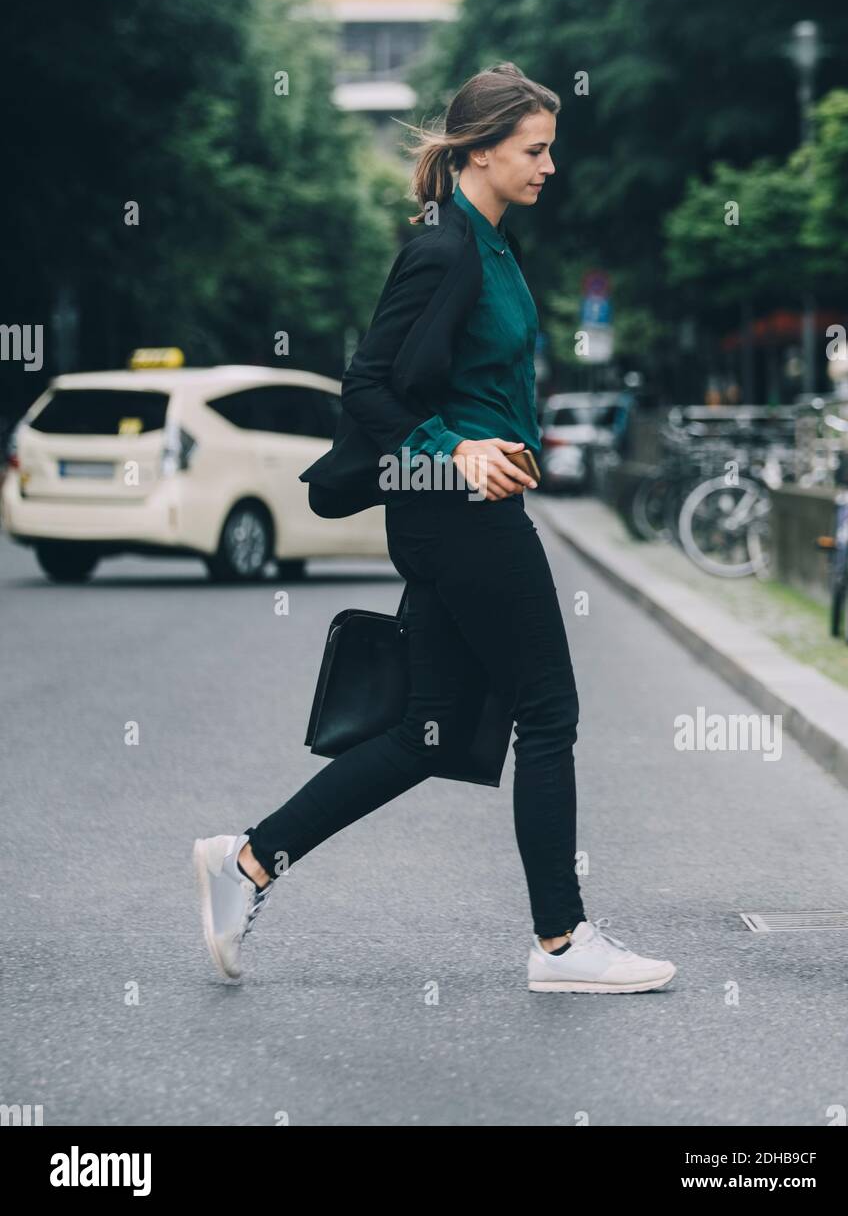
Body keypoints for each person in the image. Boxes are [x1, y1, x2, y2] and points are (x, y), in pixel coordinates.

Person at [193, 63, 676, 994]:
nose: (549, 166)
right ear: (483, 148)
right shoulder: (443, 249)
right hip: (456, 516)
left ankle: (248, 861)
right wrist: (455, 451)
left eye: (550, 149)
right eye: (535, 150)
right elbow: (367, 385)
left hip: (470, 508)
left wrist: (490, 446)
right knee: (548, 710)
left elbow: (468, 379)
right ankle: (563, 944)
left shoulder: (489, 247)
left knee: (428, 733)